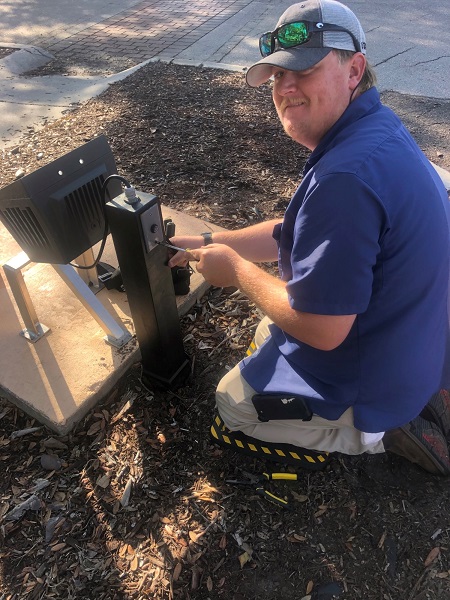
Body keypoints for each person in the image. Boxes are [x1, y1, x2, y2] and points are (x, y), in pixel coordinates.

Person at [168, 0, 450, 475]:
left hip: (375, 373)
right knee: (266, 329)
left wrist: (236, 273)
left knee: (231, 408)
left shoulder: (345, 179)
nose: (286, 88)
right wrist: (216, 239)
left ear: (354, 69)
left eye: (305, 70)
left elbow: (323, 330)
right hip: (414, 334)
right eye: (278, 75)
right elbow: (295, 231)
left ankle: (379, 433)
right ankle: (414, 397)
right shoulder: (374, 130)